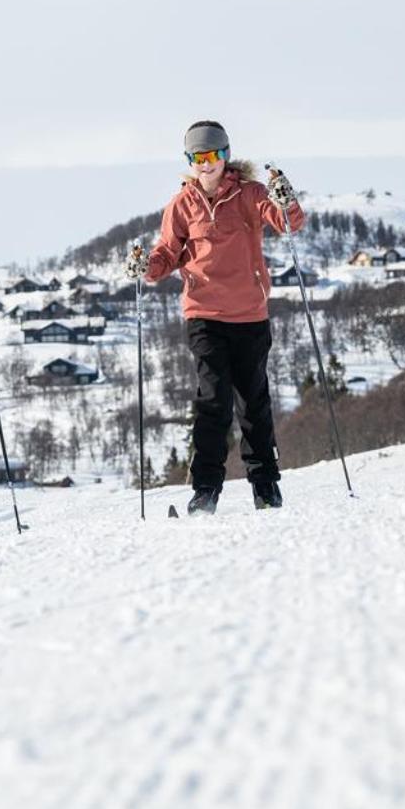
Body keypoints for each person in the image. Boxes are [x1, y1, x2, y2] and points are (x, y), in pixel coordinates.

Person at [126, 121, 304, 516]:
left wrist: (285, 199)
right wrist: (146, 268)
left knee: (252, 402)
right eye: (197, 158)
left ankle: (266, 487)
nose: (205, 165)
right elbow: (166, 254)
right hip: (204, 313)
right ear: (189, 161)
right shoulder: (182, 204)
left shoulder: (251, 194)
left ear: (226, 156)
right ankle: (205, 489)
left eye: (212, 156)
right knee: (213, 398)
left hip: (249, 312)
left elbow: (288, 222)